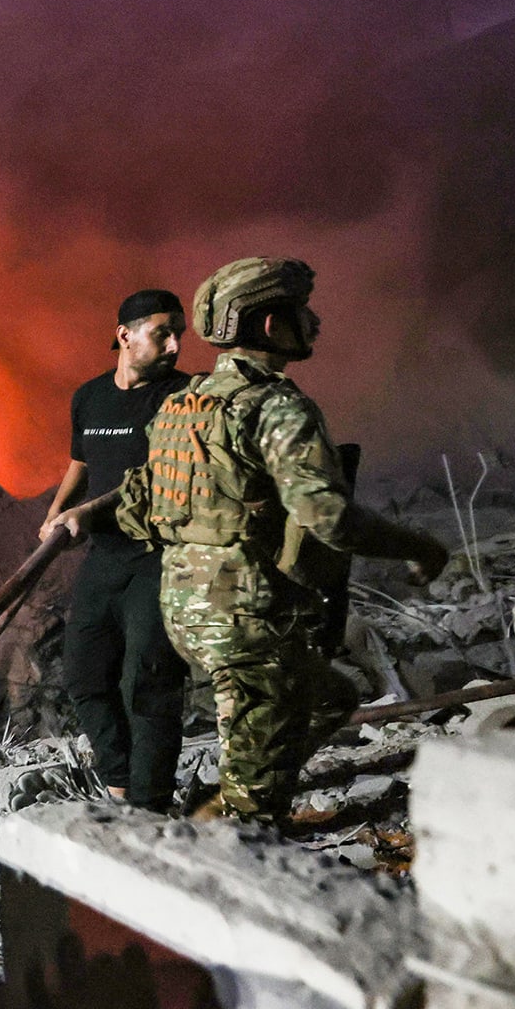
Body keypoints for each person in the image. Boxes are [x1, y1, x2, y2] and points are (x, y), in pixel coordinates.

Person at [117, 258, 448, 825]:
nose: (314, 322)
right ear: (271, 326)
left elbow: (144, 508)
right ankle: (230, 828)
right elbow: (328, 517)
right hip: (245, 617)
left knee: (329, 699)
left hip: (184, 607)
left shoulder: (180, 403)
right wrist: (421, 546)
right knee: (253, 820)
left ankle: (235, 793)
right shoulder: (276, 405)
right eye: (302, 313)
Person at [41, 290, 191, 809]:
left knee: (147, 682)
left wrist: (85, 513)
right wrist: (57, 512)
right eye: (162, 333)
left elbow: (153, 478)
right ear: (125, 335)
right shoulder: (89, 396)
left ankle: (150, 807)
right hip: (105, 558)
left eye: (180, 334)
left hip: (161, 557)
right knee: (84, 673)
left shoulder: (183, 397)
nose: (175, 345)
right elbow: (81, 462)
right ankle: (120, 782)